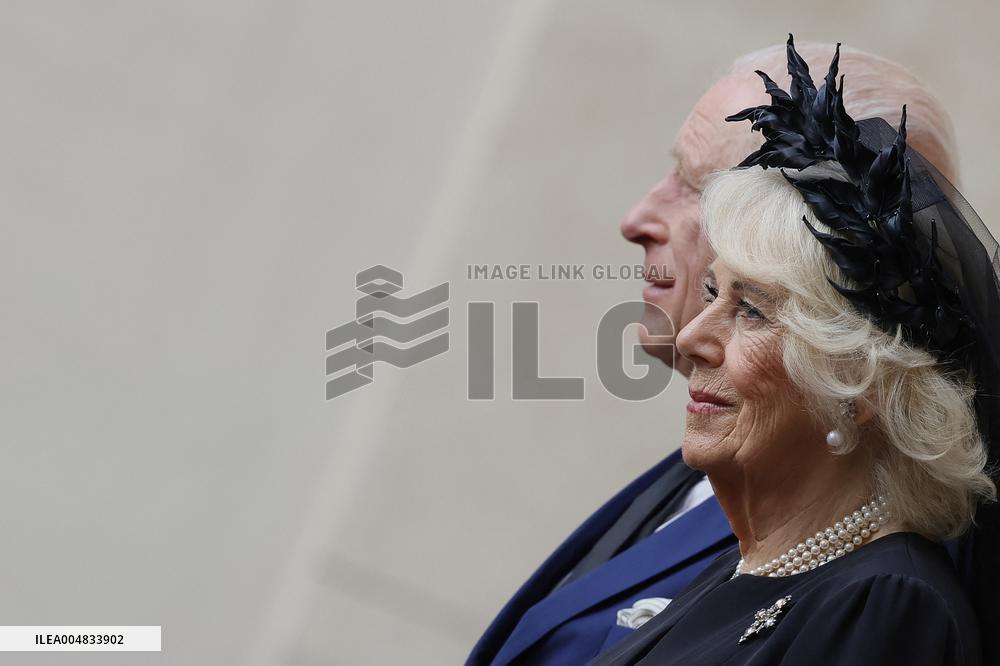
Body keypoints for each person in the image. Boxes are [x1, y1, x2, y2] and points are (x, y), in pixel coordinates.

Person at [467, 40, 963, 666]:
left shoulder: (883, 597)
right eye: (712, 292)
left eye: (695, 186)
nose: (636, 217)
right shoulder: (726, 483)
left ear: (862, 361)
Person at [589, 36, 1000, 665]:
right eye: (709, 293)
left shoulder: (886, 604)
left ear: (860, 379)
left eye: (750, 310)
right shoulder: (750, 566)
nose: (696, 336)